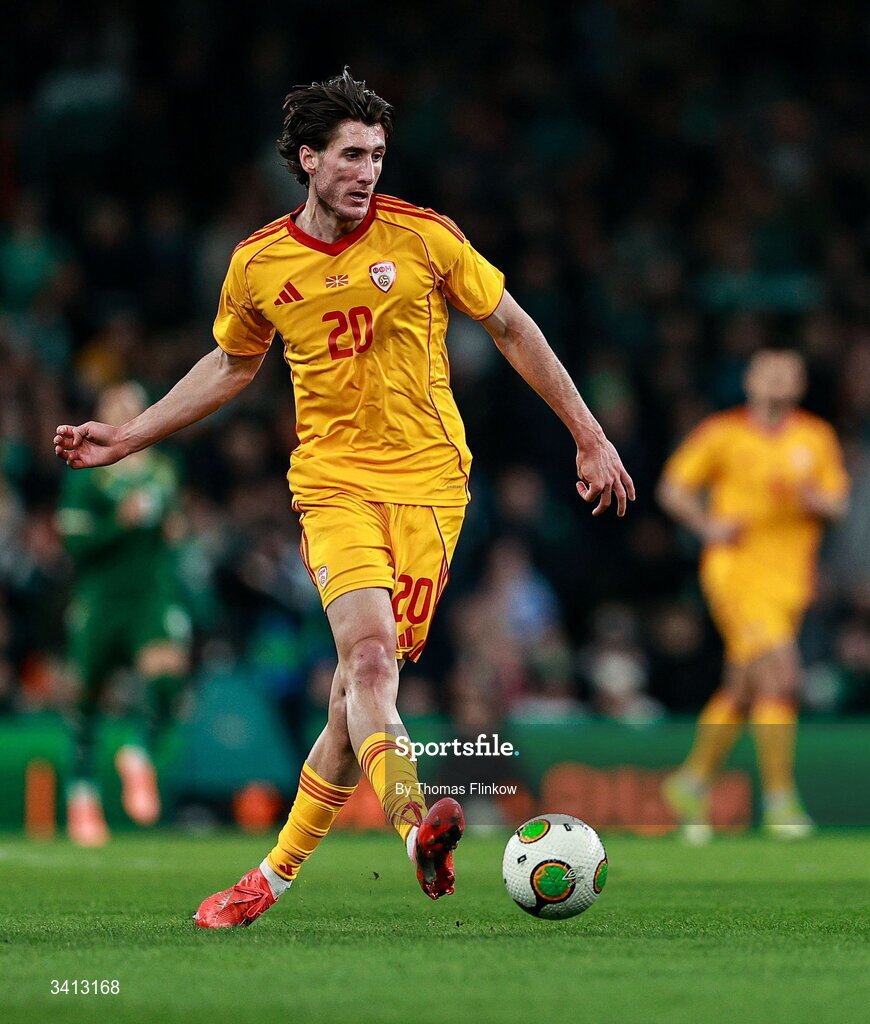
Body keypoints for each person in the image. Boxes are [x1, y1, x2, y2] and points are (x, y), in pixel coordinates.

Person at [54, 70, 634, 925]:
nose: (368, 170)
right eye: (353, 155)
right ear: (308, 158)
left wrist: (588, 433)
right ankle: (413, 829)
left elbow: (511, 324)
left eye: (379, 155)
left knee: (347, 703)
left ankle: (268, 881)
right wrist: (129, 434)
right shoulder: (259, 263)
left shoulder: (427, 238)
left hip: (433, 492)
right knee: (367, 664)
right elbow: (230, 365)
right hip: (332, 488)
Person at [657, 349, 848, 842]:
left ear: (801, 384)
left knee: (743, 689)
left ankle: (690, 782)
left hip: (789, 582)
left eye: (789, 373)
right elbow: (673, 488)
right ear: (750, 380)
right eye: (770, 372)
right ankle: (781, 802)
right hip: (736, 572)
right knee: (782, 676)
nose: (779, 380)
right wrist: (706, 526)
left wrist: (815, 502)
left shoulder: (816, 437)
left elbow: (837, 503)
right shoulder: (723, 433)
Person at [57, 381, 191, 846]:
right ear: (101, 414)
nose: (128, 413)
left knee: (168, 676)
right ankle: (82, 797)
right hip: (100, 599)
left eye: (135, 407)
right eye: (117, 407)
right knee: (86, 701)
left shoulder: (163, 472)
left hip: (150, 596)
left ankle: (138, 752)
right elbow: (73, 543)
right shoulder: (86, 473)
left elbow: (172, 532)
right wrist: (121, 522)